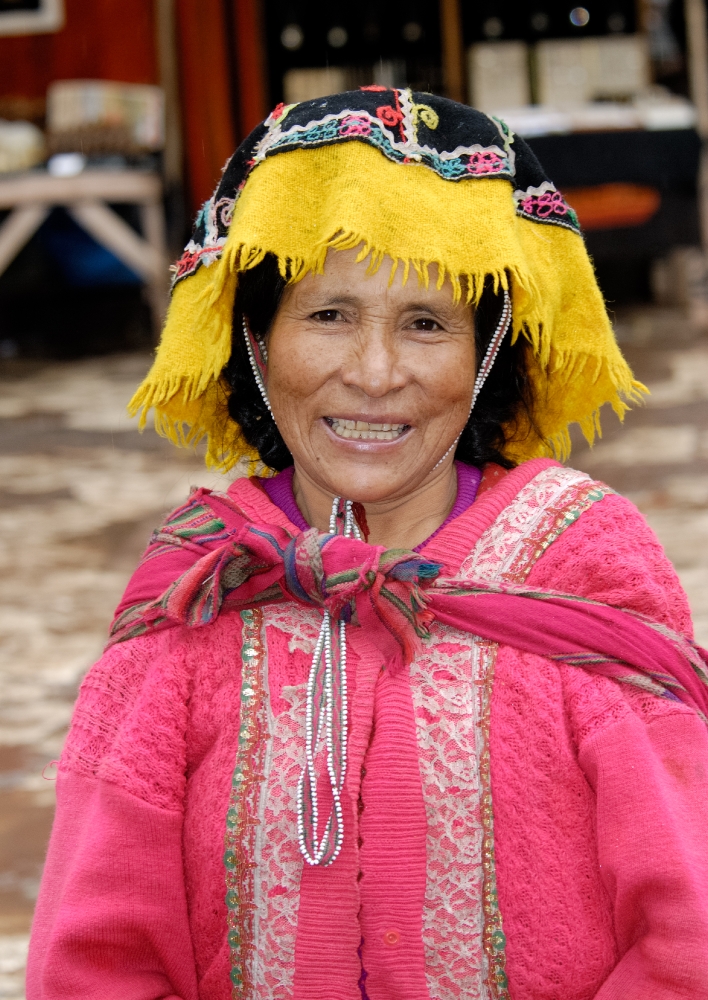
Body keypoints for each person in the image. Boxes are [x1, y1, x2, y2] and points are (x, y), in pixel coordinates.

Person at [27, 89, 708, 1000]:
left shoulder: (579, 572)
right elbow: (94, 960)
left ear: (487, 353)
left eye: (427, 323)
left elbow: (689, 941)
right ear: (257, 345)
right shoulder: (199, 588)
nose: (376, 373)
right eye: (328, 315)